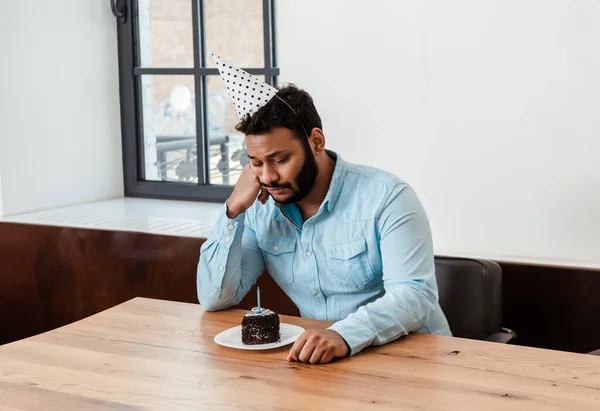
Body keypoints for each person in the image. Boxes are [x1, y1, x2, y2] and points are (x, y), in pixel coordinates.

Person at [197, 55, 451, 364]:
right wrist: (233, 210)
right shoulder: (258, 209)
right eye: (256, 163)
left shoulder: (388, 197)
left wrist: (344, 333)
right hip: (325, 366)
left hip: (414, 361)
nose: (267, 176)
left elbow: (415, 295)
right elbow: (216, 298)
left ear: (316, 142)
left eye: (280, 159)